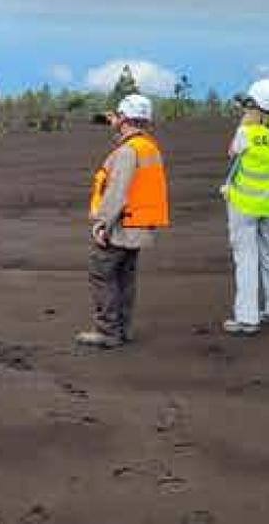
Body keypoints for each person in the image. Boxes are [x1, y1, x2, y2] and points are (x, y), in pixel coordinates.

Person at [76, 94, 170, 349]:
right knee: (125, 278)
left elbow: (118, 190)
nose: (113, 120)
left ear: (125, 119)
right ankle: (123, 328)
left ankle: (107, 331)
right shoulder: (148, 147)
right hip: (139, 225)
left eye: (118, 116)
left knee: (102, 273)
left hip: (122, 225)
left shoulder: (128, 151)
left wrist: (102, 223)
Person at [220, 79, 269, 336]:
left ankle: (247, 317)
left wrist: (247, 120)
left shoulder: (246, 134)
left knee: (246, 260)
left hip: (244, 205)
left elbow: (232, 152)